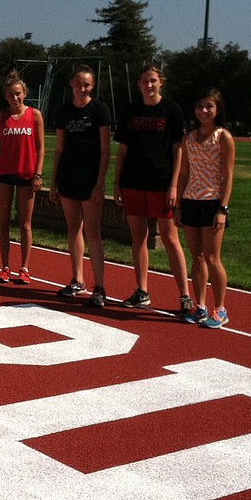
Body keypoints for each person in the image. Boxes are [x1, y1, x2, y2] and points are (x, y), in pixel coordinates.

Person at [113, 65, 192, 314]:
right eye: (145, 81)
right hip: (133, 181)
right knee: (138, 238)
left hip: (160, 182)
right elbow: (122, 150)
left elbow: (178, 149)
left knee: (170, 238)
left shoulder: (172, 110)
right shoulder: (131, 110)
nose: (149, 85)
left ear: (161, 83)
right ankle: (142, 291)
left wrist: (174, 186)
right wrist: (117, 182)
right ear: (139, 84)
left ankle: (185, 296)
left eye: (153, 81)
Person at [49, 65, 112, 307]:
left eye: (86, 84)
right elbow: (60, 149)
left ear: (92, 86)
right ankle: (78, 279)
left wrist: (100, 183)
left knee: (93, 232)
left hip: (90, 178)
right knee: (73, 228)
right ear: (71, 84)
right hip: (68, 176)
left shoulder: (100, 110)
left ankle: (100, 287)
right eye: (78, 83)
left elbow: (105, 150)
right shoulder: (64, 111)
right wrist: (54, 182)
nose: (82, 88)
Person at [176, 88, 235, 329]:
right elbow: (184, 173)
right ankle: (199, 305)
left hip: (213, 203)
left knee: (212, 258)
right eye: (200, 106)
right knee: (197, 257)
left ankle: (220, 309)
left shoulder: (223, 137)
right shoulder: (188, 138)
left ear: (217, 110)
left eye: (209, 106)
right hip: (191, 201)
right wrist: (179, 205)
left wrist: (223, 209)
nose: (203, 111)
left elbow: (228, 176)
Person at [0, 71, 45, 285]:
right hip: (4, 174)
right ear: (6, 96)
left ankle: (24, 267)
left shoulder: (35, 115)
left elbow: (40, 148)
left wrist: (38, 175)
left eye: (18, 94)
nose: (15, 98)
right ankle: (5, 267)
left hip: (27, 174)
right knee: (4, 223)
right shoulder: (1, 117)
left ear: (25, 94)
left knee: (25, 224)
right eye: (11, 94)